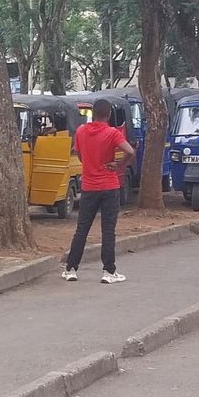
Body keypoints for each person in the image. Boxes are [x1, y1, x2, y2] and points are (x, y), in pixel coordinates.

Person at [63, 107, 139, 283]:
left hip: (89, 186)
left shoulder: (81, 131)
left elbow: (78, 153)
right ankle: (108, 271)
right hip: (109, 186)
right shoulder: (112, 133)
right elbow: (130, 151)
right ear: (109, 115)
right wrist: (119, 165)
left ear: (93, 113)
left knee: (82, 229)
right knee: (108, 230)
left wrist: (89, 164)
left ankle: (71, 269)